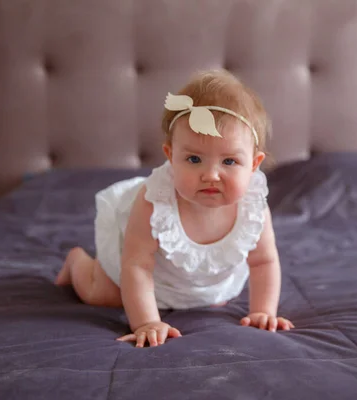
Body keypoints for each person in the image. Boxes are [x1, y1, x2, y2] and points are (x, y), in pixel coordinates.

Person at [55, 69, 294, 347]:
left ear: (254, 164)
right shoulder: (154, 202)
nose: (211, 175)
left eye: (229, 162)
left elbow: (263, 261)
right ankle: (77, 263)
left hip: (206, 283)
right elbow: (137, 265)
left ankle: (196, 294)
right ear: (170, 156)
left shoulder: (254, 208)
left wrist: (263, 311)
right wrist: (146, 322)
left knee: (215, 299)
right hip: (148, 277)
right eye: (194, 159)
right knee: (102, 295)